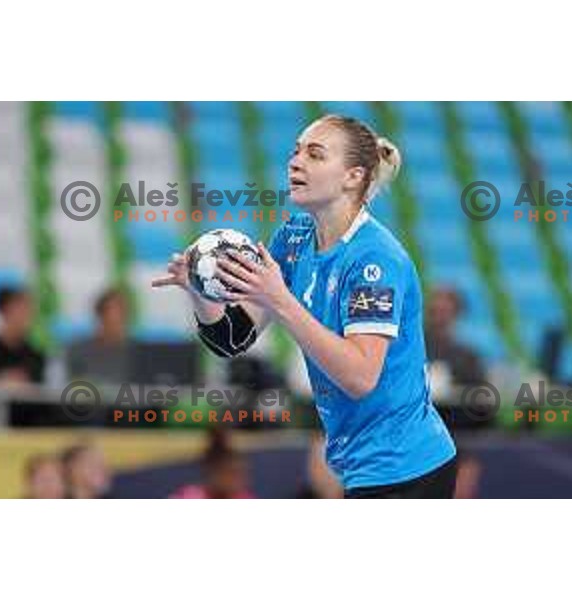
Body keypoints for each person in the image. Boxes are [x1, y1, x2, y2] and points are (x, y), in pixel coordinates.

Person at [153, 114, 457, 499]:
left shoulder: (375, 259)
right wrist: (198, 289)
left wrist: (282, 301)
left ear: (353, 176)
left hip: (409, 467)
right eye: (295, 152)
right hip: (358, 465)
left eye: (315, 155)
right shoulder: (294, 237)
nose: (295, 162)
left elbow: (360, 377)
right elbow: (230, 339)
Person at [0, 286, 47, 426]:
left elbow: (41, 399)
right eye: (19, 309)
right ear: (3, 311)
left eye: (29, 310)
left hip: (26, 428)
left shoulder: (36, 355)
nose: (26, 315)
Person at [66, 288, 133, 385]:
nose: (117, 324)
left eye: (122, 316)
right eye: (111, 317)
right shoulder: (78, 350)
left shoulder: (135, 353)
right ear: (100, 316)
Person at [170, 429, 254, 499]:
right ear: (213, 471)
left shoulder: (245, 498)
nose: (236, 480)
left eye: (241, 473)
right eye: (231, 473)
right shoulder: (189, 496)